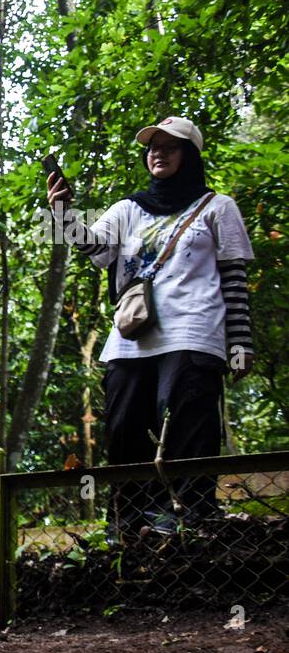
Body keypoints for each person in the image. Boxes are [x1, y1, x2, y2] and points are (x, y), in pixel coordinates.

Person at [46, 116, 254, 536]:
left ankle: (195, 514)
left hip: (194, 328)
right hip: (132, 334)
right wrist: (62, 212)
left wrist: (241, 343)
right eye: (152, 147)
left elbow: (234, 279)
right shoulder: (128, 208)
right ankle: (129, 519)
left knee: (183, 415)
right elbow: (92, 247)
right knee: (123, 422)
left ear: (189, 156)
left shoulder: (218, 207)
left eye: (170, 147)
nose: (158, 153)